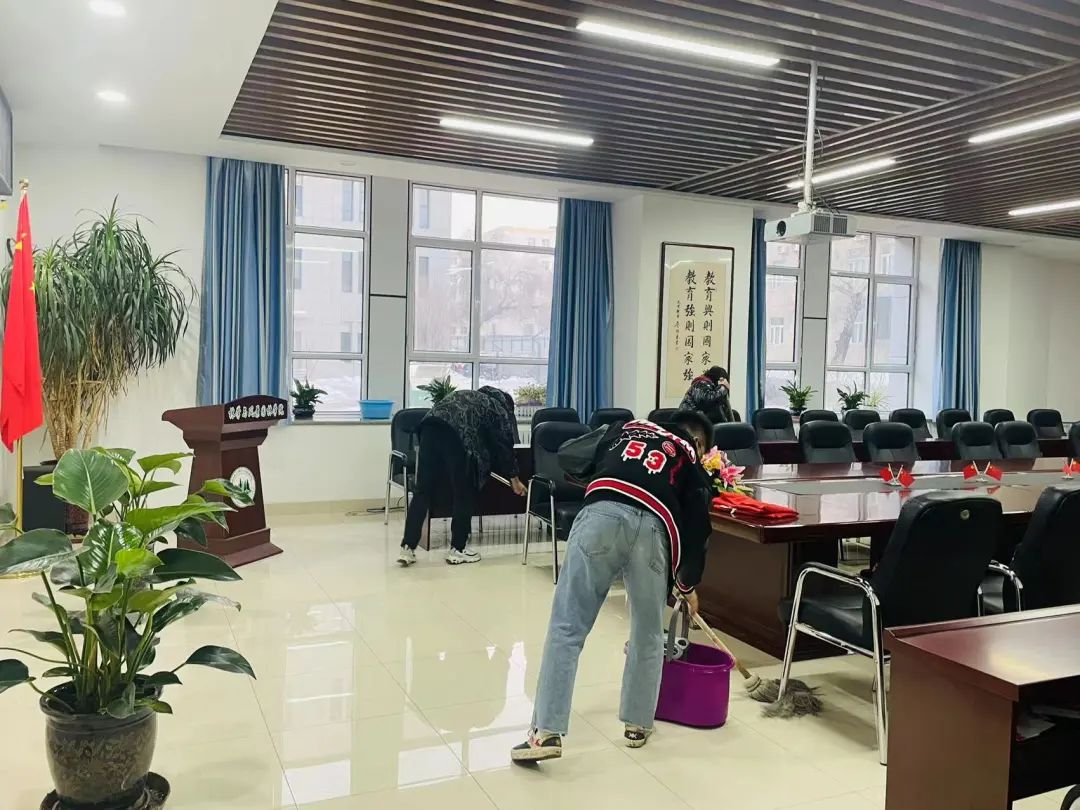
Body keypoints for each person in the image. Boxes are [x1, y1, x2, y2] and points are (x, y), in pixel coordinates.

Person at [511, 410, 715, 762]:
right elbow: (698, 528)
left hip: (600, 515)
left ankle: (545, 732)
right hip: (653, 530)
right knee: (648, 634)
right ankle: (638, 724)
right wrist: (687, 583)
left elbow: (570, 454)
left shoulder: (625, 429)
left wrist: (602, 469)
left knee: (567, 626)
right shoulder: (688, 458)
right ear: (696, 441)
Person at [398, 386, 526, 566]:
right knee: (464, 492)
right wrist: (515, 479)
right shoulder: (498, 408)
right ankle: (457, 549)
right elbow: (503, 445)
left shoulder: (470, 395)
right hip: (456, 436)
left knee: (423, 490)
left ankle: (407, 547)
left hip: (428, 428)